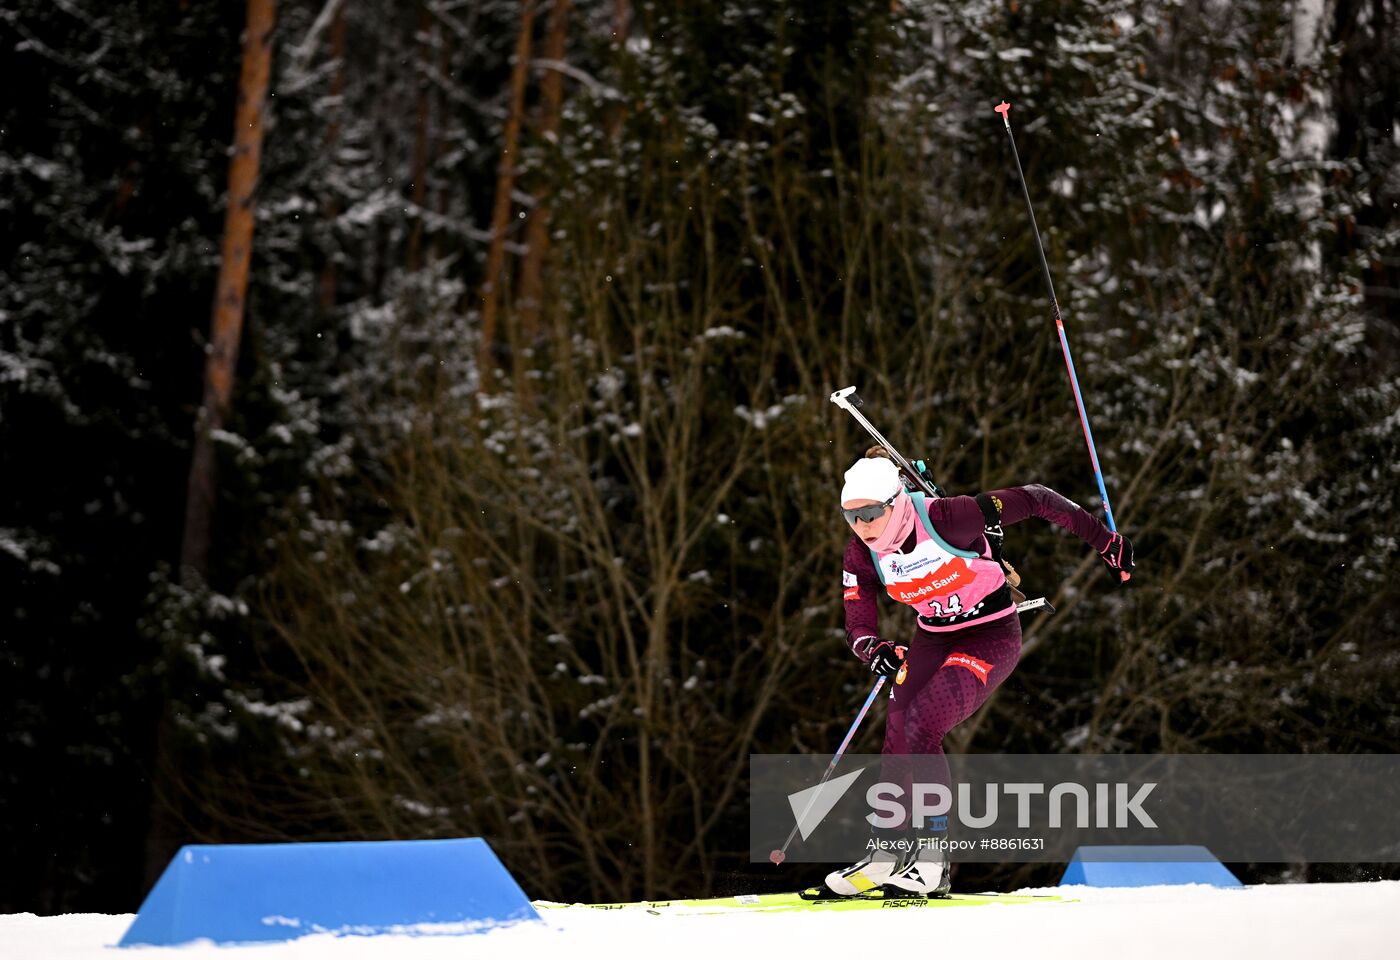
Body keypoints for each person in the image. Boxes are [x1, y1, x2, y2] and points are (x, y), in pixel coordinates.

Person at [825, 450, 1134, 897]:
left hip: (989, 636)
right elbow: (857, 619)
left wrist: (1106, 542)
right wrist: (872, 649)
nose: (862, 526)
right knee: (897, 728)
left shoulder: (950, 518)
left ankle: (932, 862)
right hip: (933, 637)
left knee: (923, 724)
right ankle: (885, 856)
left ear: (897, 501)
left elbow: (1037, 498)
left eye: (871, 513)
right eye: (850, 517)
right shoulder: (860, 553)